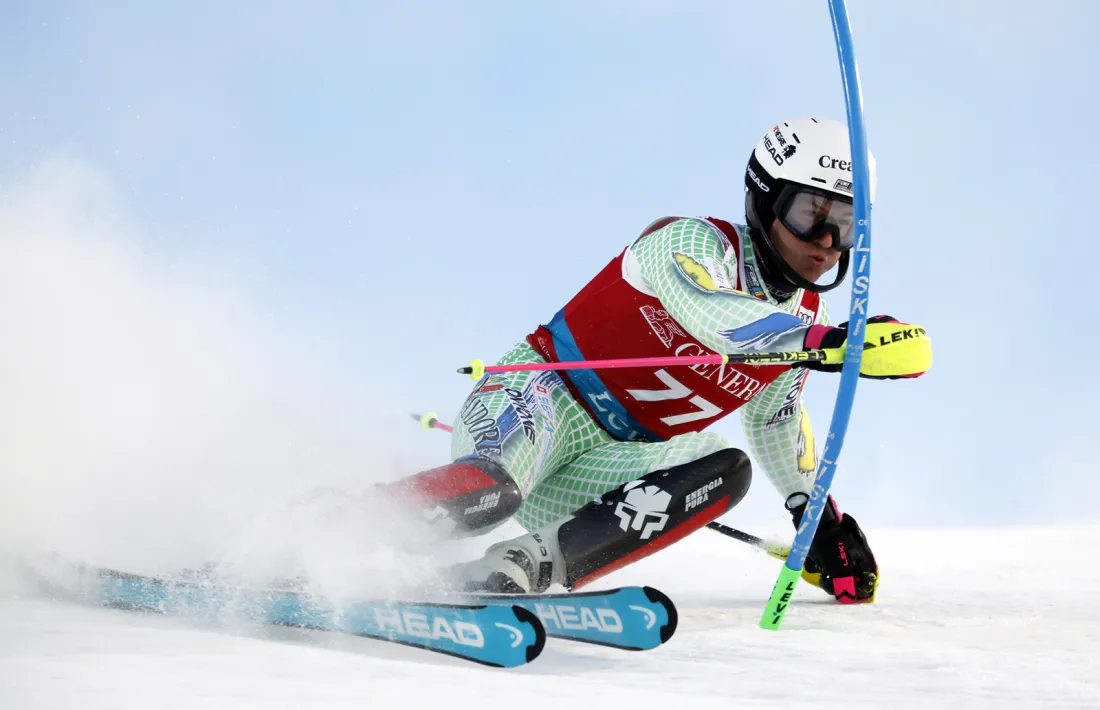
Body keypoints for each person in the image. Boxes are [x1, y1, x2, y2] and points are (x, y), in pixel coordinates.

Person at [382, 117, 931, 603]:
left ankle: (519, 566)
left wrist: (818, 521)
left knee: (725, 470)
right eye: (812, 214)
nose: (830, 241)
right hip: (539, 403)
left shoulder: (808, 315)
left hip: (605, 467)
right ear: (765, 200)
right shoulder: (689, 243)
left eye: (850, 223)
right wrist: (828, 341)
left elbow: (775, 417)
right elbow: (715, 316)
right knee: (493, 494)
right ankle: (344, 527)